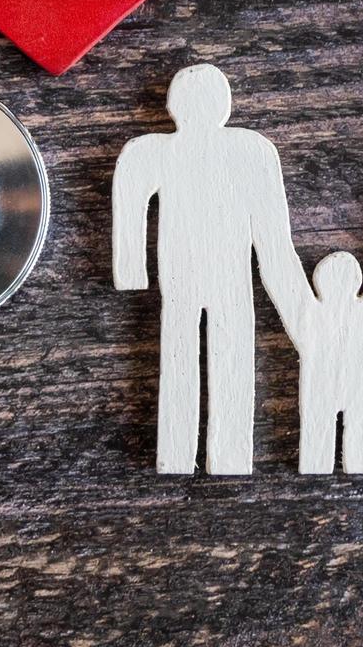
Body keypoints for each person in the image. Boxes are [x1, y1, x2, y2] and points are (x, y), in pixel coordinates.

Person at [112, 64, 308, 474]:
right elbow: (272, 236)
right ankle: (200, 453)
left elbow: (272, 233)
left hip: (213, 276)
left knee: (212, 357)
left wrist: (132, 270)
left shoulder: (242, 150)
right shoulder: (243, 150)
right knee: (209, 357)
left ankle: (218, 454)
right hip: (199, 278)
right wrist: (130, 270)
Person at [282, 251, 363, 474]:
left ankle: (320, 465)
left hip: (320, 393)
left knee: (316, 455)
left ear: (319, 283)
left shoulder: (308, 315)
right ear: (357, 281)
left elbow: (282, 278)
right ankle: (354, 463)